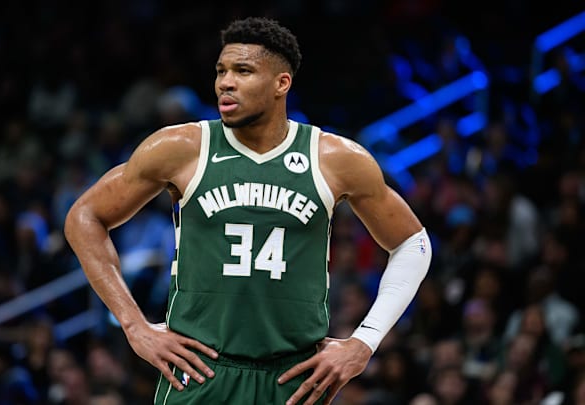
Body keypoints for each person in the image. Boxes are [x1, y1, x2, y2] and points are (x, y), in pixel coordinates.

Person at [64, 17, 431, 405]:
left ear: (281, 83)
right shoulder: (181, 147)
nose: (225, 82)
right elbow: (83, 217)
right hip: (201, 372)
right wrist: (134, 326)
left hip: (294, 379)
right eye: (221, 71)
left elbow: (414, 243)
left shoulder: (334, 158)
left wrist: (364, 342)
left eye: (243, 71)